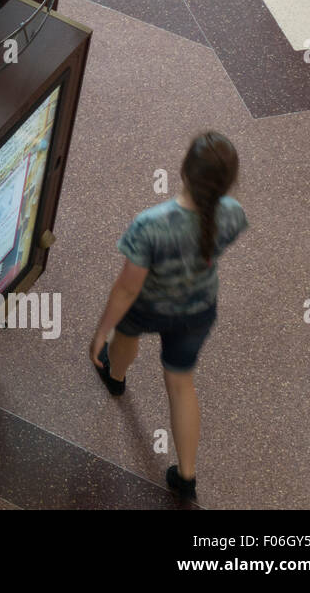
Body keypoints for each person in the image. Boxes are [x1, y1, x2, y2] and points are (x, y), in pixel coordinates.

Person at [89, 132, 247, 503]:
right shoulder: (234, 215)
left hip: (148, 307)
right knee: (181, 384)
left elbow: (127, 289)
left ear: (183, 171)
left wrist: (101, 333)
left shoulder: (151, 225)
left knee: (124, 341)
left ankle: (115, 377)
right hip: (198, 310)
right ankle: (186, 476)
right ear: (228, 182)